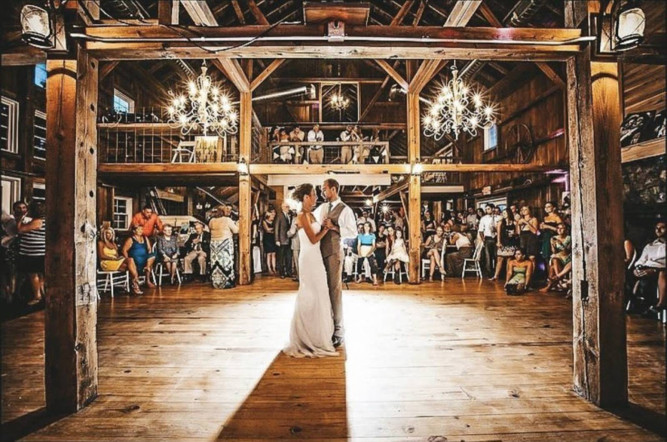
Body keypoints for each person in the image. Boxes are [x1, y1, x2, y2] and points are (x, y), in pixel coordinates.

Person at [283, 183, 337, 358]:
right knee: (310, 293)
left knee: (320, 292)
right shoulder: (301, 216)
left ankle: (318, 335)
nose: (316, 197)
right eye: (313, 194)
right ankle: (306, 335)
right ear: (306, 197)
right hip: (308, 257)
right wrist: (326, 228)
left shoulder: (311, 215)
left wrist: (325, 225)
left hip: (316, 257)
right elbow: (313, 239)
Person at [314, 178, 358, 347]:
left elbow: (353, 233)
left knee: (334, 290)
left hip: (334, 252)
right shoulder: (323, 208)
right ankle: (325, 326)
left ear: (333, 189)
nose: (322, 192)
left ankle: (338, 331)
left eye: (324, 189)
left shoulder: (345, 209)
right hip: (319, 251)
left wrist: (334, 227)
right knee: (322, 289)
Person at [633, 221, 666, 315]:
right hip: (646, 267)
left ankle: (661, 304)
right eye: (656, 228)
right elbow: (641, 260)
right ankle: (637, 305)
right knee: (635, 274)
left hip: (662, 269)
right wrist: (637, 268)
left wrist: (655, 270)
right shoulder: (650, 245)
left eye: (662, 227)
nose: (658, 230)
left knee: (662, 274)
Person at [17, 201, 46, 306]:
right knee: (40, 275)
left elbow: (20, 229)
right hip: (38, 252)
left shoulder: (37, 221)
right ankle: (42, 294)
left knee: (33, 275)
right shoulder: (42, 221)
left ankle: (37, 297)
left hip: (33, 253)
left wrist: (20, 219)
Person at [209, 206, 239, 289]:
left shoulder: (212, 221)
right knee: (226, 263)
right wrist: (238, 223)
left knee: (215, 263)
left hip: (214, 244)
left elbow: (210, 229)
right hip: (225, 244)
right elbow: (236, 230)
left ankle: (216, 282)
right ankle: (227, 282)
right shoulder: (227, 220)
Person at [122, 224, 156, 294]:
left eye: (141, 229)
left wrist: (148, 255)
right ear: (134, 231)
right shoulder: (131, 239)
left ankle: (147, 278)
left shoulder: (145, 238)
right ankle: (137, 284)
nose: (140, 231)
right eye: (138, 229)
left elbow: (149, 249)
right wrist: (127, 259)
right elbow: (124, 250)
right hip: (135, 259)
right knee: (148, 262)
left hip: (145, 259)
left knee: (152, 256)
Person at [541, 223, 572, 292]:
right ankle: (559, 278)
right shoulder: (553, 238)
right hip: (558, 258)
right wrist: (553, 245)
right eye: (558, 228)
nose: (559, 230)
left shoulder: (569, 238)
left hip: (567, 257)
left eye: (561, 228)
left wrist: (560, 243)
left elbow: (567, 251)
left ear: (565, 230)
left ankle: (555, 281)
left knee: (552, 267)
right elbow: (554, 251)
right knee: (554, 259)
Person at [491, 209, 518, 281]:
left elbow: (517, 233)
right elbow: (498, 233)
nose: (504, 214)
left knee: (509, 260)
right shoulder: (500, 222)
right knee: (500, 259)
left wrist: (514, 234)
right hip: (503, 242)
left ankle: (508, 276)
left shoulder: (514, 222)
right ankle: (496, 275)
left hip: (511, 242)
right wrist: (498, 242)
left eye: (505, 213)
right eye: (503, 213)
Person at [478, 204, 500, 277]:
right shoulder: (484, 218)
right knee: (488, 257)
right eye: (486, 209)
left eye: (488, 209)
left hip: (497, 238)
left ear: (493, 209)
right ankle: (489, 273)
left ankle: (497, 273)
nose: (487, 210)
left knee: (497, 256)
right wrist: (483, 239)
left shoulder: (498, 217)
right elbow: (481, 230)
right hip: (488, 238)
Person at [356, 222, 380, 286]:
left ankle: (375, 279)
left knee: (372, 264)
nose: (366, 227)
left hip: (369, 249)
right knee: (359, 263)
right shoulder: (360, 235)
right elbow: (359, 245)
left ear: (370, 227)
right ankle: (360, 277)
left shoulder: (372, 235)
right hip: (362, 249)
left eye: (367, 226)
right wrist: (359, 253)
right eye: (365, 226)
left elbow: (374, 246)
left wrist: (369, 253)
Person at [274, 202, 292, 279]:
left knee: (288, 257)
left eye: (288, 207)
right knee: (281, 258)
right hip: (281, 240)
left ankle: (289, 272)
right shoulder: (279, 216)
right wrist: (277, 240)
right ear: (283, 207)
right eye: (287, 207)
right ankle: (281, 273)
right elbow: (276, 228)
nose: (288, 208)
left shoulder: (289, 216)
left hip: (288, 240)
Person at [287, 213, 300, 282]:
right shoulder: (308, 217)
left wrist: (287, 234)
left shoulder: (295, 219)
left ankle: (299, 277)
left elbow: (292, 232)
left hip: (296, 243)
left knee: (297, 261)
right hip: (304, 243)